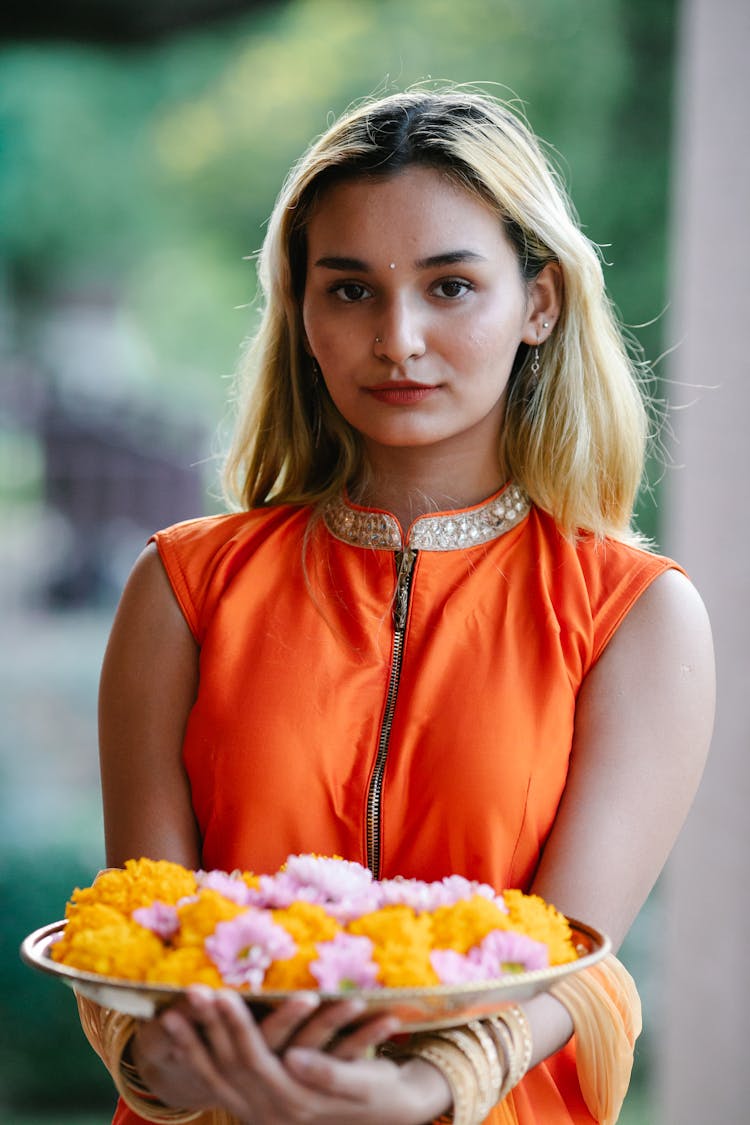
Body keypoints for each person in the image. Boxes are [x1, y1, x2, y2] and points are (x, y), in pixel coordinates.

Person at [77, 87, 715, 1125]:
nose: (400, 338)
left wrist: (422, 1090)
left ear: (539, 303)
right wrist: (162, 1062)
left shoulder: (635, 616)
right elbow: (140, 929)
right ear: (302, 311)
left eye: (451, 286)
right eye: (351, 291)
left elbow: (571, 956)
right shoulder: (182, 590)